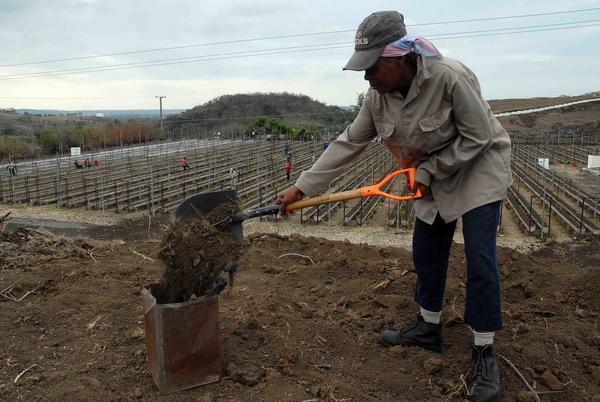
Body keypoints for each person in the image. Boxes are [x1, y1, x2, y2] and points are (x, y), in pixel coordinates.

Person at [276, 11, 511, 402]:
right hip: (430, 174)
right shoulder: (376, 98)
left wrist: (430, 169)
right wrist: (301, 187)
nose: (367, 78)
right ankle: (428, 327)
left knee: (480, 260)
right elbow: (348, 143)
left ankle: (484, 350)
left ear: (399, 58)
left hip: (478, 167)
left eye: (372, 68)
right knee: (427, 251)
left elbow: (480, 136)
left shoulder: (449, 76)